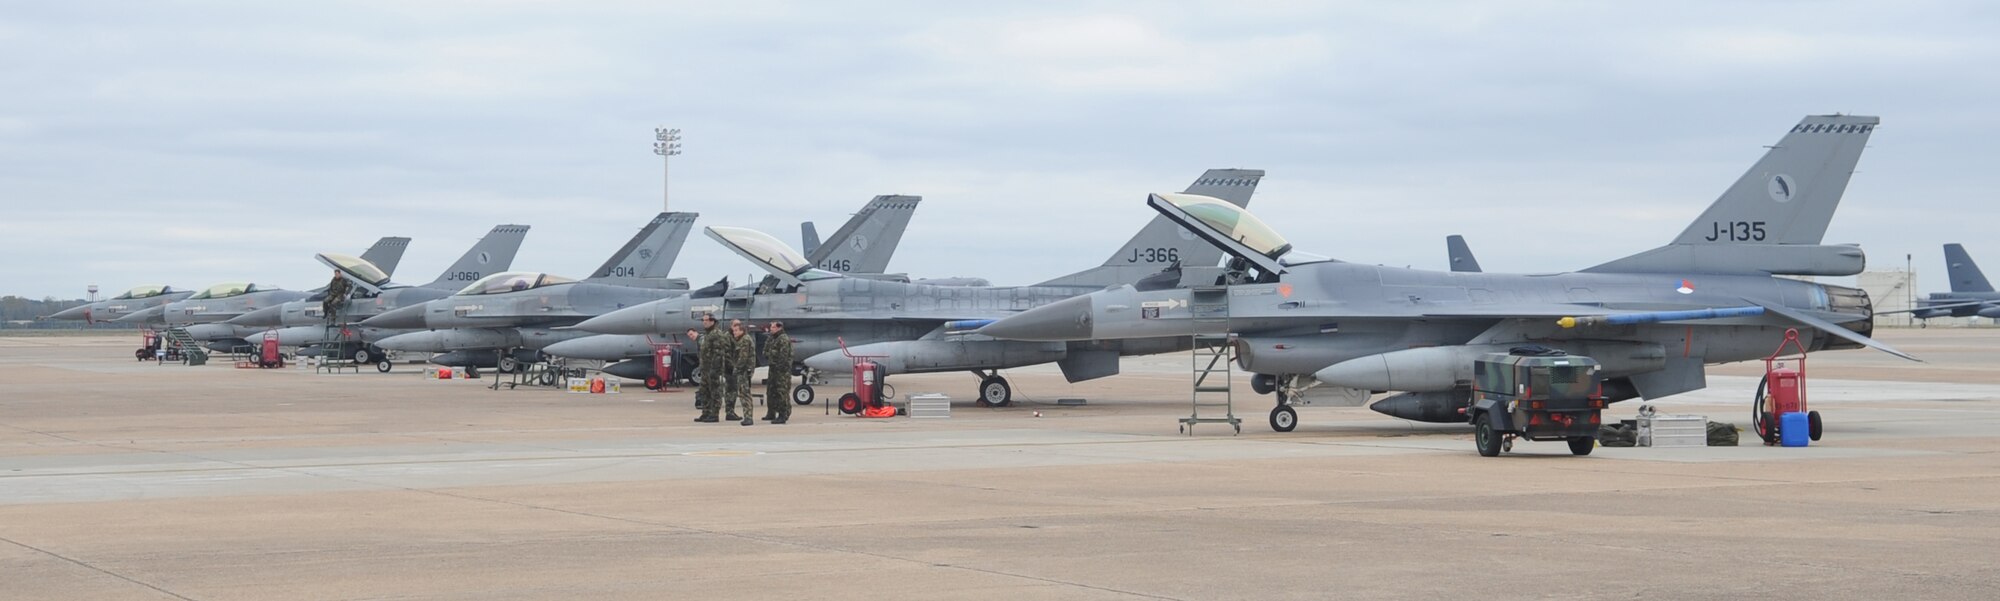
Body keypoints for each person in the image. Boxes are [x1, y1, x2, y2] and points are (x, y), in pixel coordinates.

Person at [694, 313, 731, 423]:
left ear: (712, 321)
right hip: (705, 369)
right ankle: (706, 413)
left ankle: (714, 414)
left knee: (715, 391)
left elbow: (718, 353)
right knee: (704, 391)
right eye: (703, 320)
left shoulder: (716, 334)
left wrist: (715, 369)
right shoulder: (707, 334)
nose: (704, 322)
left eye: (706, 320)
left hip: (713, 369)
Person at [762, 321, 794, 424]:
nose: (771, 329)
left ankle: (783, 415)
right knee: (771, 391)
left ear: (779, 328)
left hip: (781, 371)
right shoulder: (771, 338)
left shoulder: (783, 339)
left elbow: (783, 357)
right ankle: (771, 413)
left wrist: (778, 365)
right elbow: (765, 352)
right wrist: (772, 355)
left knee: (781, 392)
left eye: (773, 327)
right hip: (773, 369)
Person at [729, 321, 757, 426]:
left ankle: (748, 417)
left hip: (744, 370)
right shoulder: (741, 340)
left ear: (742, 330)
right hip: (743, 370)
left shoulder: (745, 340)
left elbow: (743, 357)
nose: (734, 333)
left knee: (745, 394)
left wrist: (737, 368)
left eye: (736, 330)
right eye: (733, 331)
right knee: (742, 393)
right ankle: (747, 416)